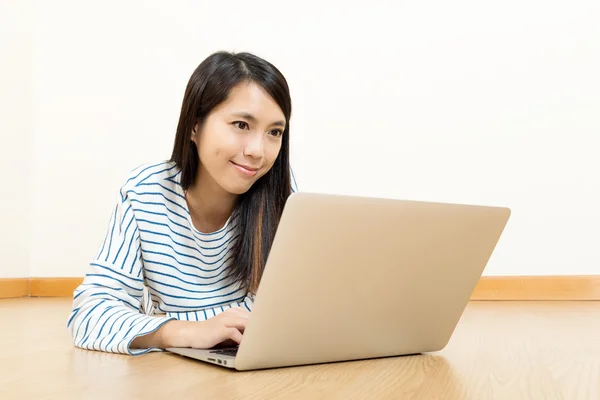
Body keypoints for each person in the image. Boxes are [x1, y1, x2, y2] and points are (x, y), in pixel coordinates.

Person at [67, 51, 297, 355]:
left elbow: (289, 306)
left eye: (274, 132)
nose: (258, 151)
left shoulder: (278, 193)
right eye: (241, 124)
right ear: (194, 126)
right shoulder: (146, 192)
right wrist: (185, 332)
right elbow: (89, 314)